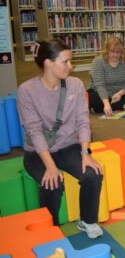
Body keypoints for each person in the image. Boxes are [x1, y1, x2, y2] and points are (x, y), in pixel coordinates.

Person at [17, 39, 104, 238]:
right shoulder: (26, 91)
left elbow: (83, 121)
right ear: (48, 63)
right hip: (38, 152)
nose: (70, 66)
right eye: (65, 62)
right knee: (52, 183)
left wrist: (85, 153)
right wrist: (50, 166)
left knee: (93, 174)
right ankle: (52, 229)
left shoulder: (75, 85)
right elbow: (34, 131)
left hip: (68, 146)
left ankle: (87, 220)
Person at [87, 36, 125, 116]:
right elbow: (100, 86)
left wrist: (120, 94)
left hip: (120, 93)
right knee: (91, 97)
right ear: (107, 50)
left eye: (119, 52)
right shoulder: (98, 62)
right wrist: (106, 103)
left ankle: (103, 108)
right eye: (112, 52)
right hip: (102, 94)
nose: (116, 55)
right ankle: (114, 106)